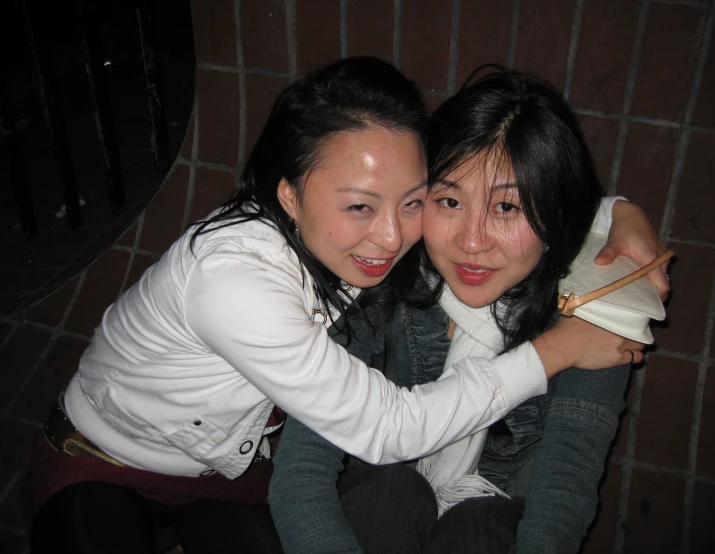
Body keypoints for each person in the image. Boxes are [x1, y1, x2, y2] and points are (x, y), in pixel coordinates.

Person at [23, 57, 648, 554]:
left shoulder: (386, 245)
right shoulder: (236, 282)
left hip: (230, 473)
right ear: (290, 196)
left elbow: (509, 183)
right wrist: (553, 352)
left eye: (411, 202)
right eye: (359, 205)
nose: (390, 237)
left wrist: (619, 214)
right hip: (104, 459)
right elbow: (382, 430)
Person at [267, 65, 670, 553]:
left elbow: (564, 491)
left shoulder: (594, 314)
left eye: (507, 208)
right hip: (374, 502)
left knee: (481, 526)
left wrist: (617, 211)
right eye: (450, 201)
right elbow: (301, 471)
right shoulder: (386, 274)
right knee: (392, 492)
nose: (472, 242)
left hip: (494, 515)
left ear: (556, 213)